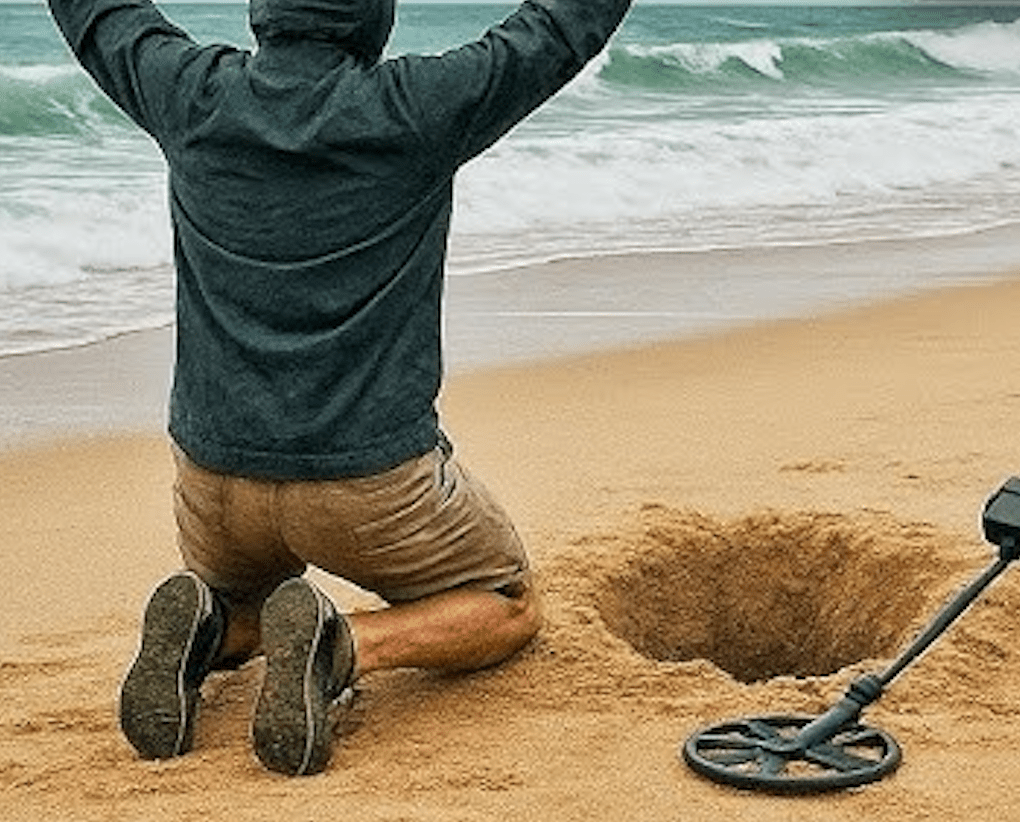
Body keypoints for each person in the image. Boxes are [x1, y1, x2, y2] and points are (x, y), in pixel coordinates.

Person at [47, 0, 633, 775]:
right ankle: (342, 643)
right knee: (508, 601)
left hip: (215, 490)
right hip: (372, 490)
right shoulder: (416, 109)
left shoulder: (190, 93)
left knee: (246, 591)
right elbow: (558, 28)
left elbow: (100, 13)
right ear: (374, 17)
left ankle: (215, 629)